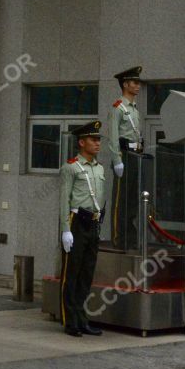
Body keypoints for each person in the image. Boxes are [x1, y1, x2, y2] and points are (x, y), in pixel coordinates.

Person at [59, 120, 107, 337]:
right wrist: (65, 229)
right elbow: (64, 200)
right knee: (72, 273)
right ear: (81, 142)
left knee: (86, 274)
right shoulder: (71, 167)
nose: (97, 143)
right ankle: (70, 321)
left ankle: (82, 318)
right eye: (93, 139)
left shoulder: (99, 168)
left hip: (94, 222)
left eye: (98, 140)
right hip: (76, 222)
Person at [107, 66, 144, 248]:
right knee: (120, 201)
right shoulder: (118, 108)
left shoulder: (135, 109)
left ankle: (130, 236)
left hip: (135, 155)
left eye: (139, 83)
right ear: (125, 84)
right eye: (135, 82)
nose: (138, 86)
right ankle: (118, 237)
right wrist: (117, 161)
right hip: (124, 156)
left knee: (132, 199)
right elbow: (113, 137)